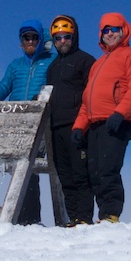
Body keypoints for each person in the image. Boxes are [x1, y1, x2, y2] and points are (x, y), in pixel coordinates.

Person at [71, 12, 131, 223]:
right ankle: (102, 215)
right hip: (94, 123)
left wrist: (120, 113)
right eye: (106, 30)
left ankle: (111, 214)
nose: (110, 34)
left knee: (108, 169)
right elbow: (88, 99)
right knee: (94, 171)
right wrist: (79, 127)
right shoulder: (98, 63)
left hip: (117, 122)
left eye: (115, 29)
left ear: (124, 31)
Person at [0, 19, 55, 224]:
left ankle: (30, 219)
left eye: (34, 36)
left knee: (30, 169)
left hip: (40, 122)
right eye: (26, 37)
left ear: (41, 38)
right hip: (16, 124)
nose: (30, 40)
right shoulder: (15, 65)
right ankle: (21, 217)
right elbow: (3, 88)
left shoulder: (50, 61)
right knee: (19, 170)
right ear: (21, 41)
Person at [43, 15, 95, 226]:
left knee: (81, 173)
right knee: (63, 173)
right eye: (57, 38)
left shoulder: (85, 61)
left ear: (74, 37)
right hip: (56, 127)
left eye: (66, 37)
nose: (62, 41)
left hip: (78, 126)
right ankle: (73, 217)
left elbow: (91, 95)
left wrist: (83, 124)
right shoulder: (52, 67)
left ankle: (84, 217)